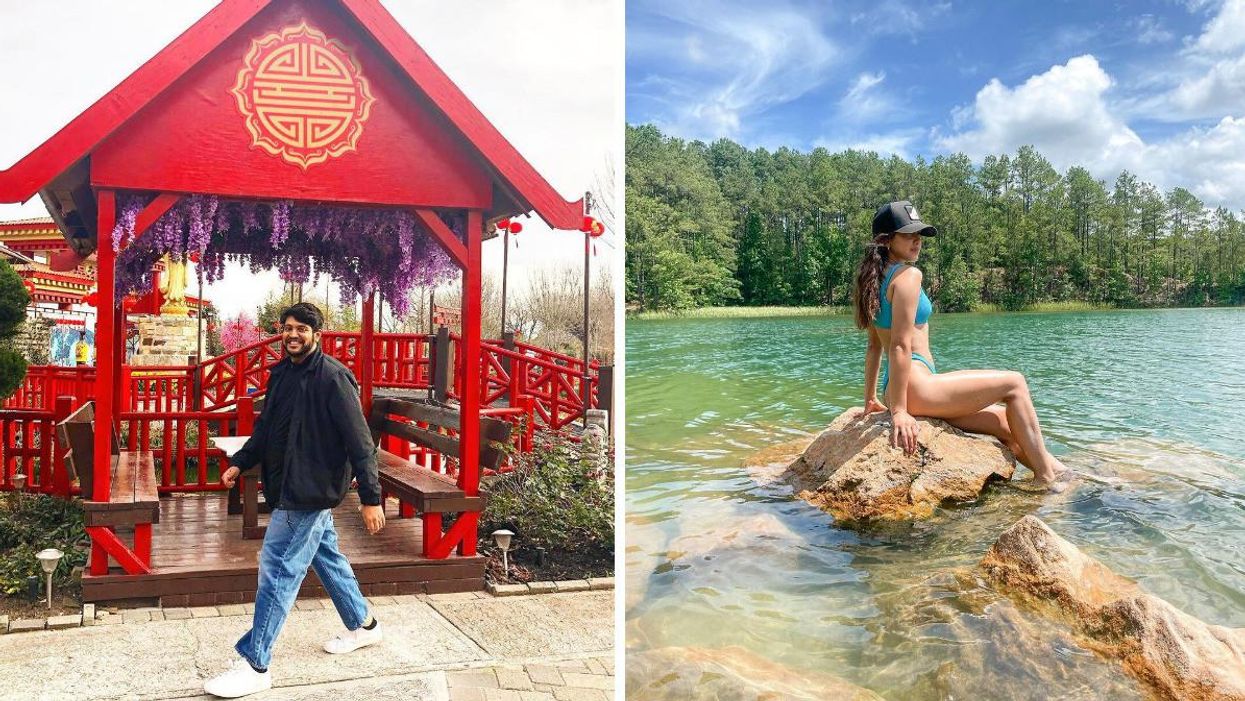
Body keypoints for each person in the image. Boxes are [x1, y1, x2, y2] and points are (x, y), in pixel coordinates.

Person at [204, 302, 386, 698]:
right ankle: (363, 625)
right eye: (288, 327)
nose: (292, 335)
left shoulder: (333, 378)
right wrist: (241, 461)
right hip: (286, 483)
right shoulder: (282, 374)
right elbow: (266, 428)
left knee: (278, 570)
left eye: (301, 329)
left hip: (311, 490)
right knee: (326, 556)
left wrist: (371, 498)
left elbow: (361, 443)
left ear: (317, 335)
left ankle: (256, 664)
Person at [854, 201, 1070, 488]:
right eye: (908, 235)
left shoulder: (871, 280)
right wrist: (900, 412)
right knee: (1015, 383)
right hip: (915, 387)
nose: (917, 241)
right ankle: (1047, 480)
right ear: (885, 240)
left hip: (897, 387)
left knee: (1006, 423)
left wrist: (871, 399)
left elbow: (874, 346)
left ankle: (1068, 475)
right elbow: (899, 346)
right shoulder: (908, 276)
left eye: (919, 234)